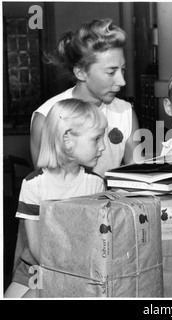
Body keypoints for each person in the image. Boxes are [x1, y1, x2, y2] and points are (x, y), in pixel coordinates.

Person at [5, 98, 108, 298]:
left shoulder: (96, 185)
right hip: (37, 267)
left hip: (82, 269)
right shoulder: (33, 185)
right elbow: (35, 246)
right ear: (67, 139)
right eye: (96, 139)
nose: (103, 147)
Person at [30, 18, 140, 177]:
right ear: (80, 72)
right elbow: (45, 188)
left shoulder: (125, 112)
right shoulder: (46, 117)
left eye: (122, 70)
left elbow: (138, 176)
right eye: (110, 72)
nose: (122, 81)